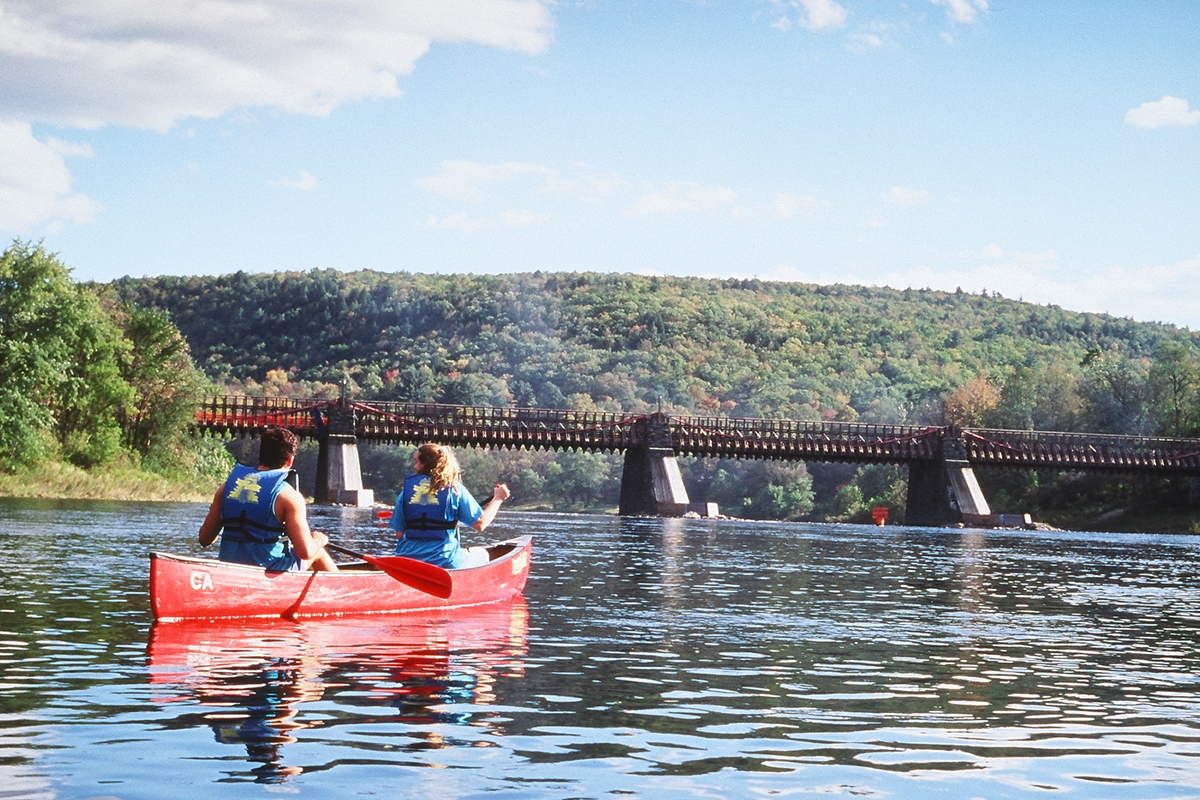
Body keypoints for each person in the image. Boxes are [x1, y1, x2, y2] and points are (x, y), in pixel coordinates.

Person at [199, 428, 338, 572]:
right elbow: (305, 552)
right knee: (318, 552)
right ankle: (342, 593)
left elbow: (204, 539)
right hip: (268, 572)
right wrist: (318, 541)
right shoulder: (288, 497)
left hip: (230, 568)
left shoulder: (226, 488)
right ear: (290, 460)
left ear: (261, 455)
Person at [391, 443, 510, 569]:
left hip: (406, 560)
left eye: (418, 462)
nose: (415, 466)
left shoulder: (406, 493)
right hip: (444, 561)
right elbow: (480, 524)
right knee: (482, 554)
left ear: (427, 464)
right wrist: (498, 498)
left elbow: (399, 534)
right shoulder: (455, 490)